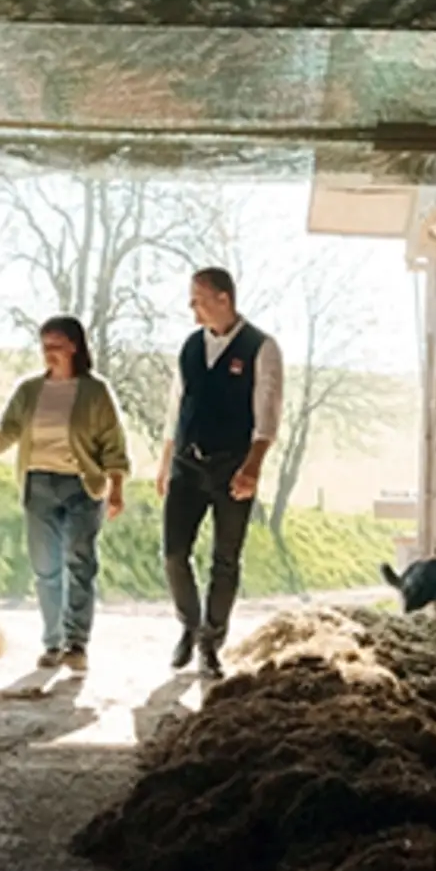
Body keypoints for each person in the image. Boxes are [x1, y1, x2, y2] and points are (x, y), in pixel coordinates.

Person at [0, 315, 129, 674]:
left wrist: (116, 488)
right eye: (44, 347)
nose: (49, 354)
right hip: (38, 485)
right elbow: (8, 428)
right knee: (46, 569)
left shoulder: (95, 392)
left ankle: (76, 643)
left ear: (75, 346)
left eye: (56, 346)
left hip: (82, 487)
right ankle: (52, 642)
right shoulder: (29, 390)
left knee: (80, 564)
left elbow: (113, 445)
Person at [157, 267, 283, 678]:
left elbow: (267, 416)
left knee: (225, 559)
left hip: (233, 465)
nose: (192, 307)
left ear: (223, 298)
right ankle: (189, 625)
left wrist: (253, 468)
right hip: (186, 464)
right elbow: (177, 406)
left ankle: (211, 643)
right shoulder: (191, 347)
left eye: (198, 299)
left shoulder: (261, 347)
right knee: (175, 552)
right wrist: (165, 461)